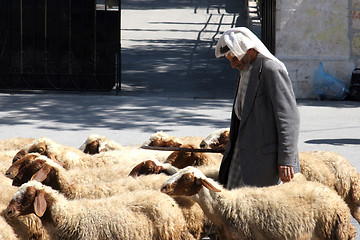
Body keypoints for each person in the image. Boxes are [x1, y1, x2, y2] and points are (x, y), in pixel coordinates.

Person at [215, 27, 300, 189]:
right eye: (230, 61)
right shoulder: (244, 70)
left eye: (234, 59)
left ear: (249, 50)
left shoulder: (271, 70)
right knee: (233, 204)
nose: (233, 65)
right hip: (241, 153)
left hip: (265, 161)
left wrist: (286, 160)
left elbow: (289, 118)